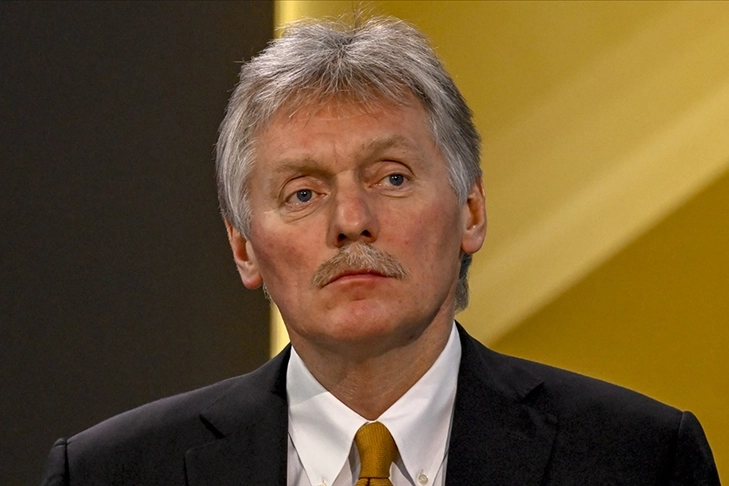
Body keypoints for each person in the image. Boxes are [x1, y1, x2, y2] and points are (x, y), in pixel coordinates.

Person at [42, 15, 719, 486]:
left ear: (471, 211)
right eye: (302, 193)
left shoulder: (640, 461)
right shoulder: (110, 474)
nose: (351, 222)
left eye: (391, 178)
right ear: (244, 248)